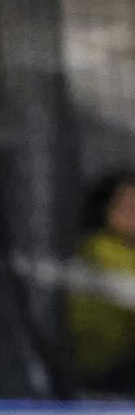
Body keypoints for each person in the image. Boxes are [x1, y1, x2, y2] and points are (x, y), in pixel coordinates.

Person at [67, 169, 135, 395]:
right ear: (105, 210)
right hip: (110, 367)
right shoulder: (98, 249)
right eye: (124, 206)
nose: (133, 212)